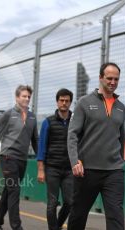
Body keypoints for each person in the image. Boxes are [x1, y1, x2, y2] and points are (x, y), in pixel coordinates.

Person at [67, 62, 125, 230]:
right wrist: (74, 161)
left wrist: (120, 163)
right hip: (87, 170)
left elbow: (120, 139)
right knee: (78, 215)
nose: (113, 82)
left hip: (114, 171)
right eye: (109, 78)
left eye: (116, 79)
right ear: (100, 78)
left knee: (116, 217)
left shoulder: (122, 108)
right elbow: (72, 134)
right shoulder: (84, 103)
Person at [0, 85, 39, 230]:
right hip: (8, 158)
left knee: (9, 191)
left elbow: (35, 140)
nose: (26, 99)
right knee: (14, 191)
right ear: (17, 97)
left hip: (22, 160)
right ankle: (16, 226)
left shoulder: (32, 117)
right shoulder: (7, 115)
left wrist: (41, 160)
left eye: (28, 97)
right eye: (24, 96)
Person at [36, 88, 74, 230]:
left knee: (70, 202)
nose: (64, 103)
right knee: (52, 203)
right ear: (57, 102)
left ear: (70, 102)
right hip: (52, 168)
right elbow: (41, 147)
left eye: (67, 101)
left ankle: (56, 226)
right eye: (61, 100)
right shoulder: (48, 122)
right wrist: (41, 170)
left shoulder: (75, 121)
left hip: (69, 169)